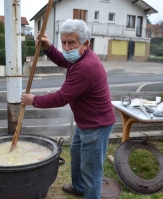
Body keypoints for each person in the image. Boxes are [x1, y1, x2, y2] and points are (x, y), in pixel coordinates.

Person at [21, 19, 116, 199]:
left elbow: (61, 97)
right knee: (76, 153)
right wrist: (48, 47)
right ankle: (79, 188)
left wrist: (34, 100)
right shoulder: (79, 56)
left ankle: (90, 194)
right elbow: (64, 60)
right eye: (63, 42)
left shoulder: (85, 66)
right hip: (86, 121)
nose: (66, 47)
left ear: (85, 43)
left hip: (96, 125)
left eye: (71, 42)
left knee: (92, 170)